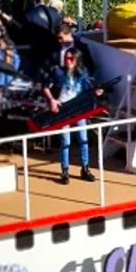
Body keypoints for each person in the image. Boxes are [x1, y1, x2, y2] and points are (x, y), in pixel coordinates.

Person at [42, 48, 101, 184]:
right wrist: (52, 99)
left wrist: (96, 91)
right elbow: (45, 87)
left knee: (83, 139)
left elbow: (90, 87)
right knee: (65, 141)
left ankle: (85, 169)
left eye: (71, 58)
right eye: (66, 58)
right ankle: (65, 170)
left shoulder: (82, 73)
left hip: (78, 109)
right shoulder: (58, 72)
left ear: (76, 60)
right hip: (64, 110)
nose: (68, 61)